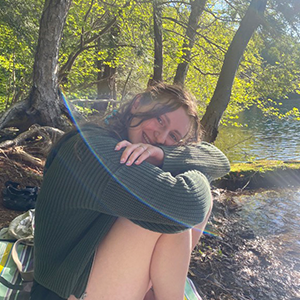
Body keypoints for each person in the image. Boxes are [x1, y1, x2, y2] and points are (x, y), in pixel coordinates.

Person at [30, 83, 230, 300]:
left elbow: (219, 160)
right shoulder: (95, 151)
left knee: (174, 208)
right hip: (59, 291)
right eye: (160, 119)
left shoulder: (119, 137)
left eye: (173, 137)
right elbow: (190, 206)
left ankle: (155, 292)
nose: (161, 137)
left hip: (82, 264)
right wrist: (197, 172)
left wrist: (165, 156)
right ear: (137, 104)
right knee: (172, 214)